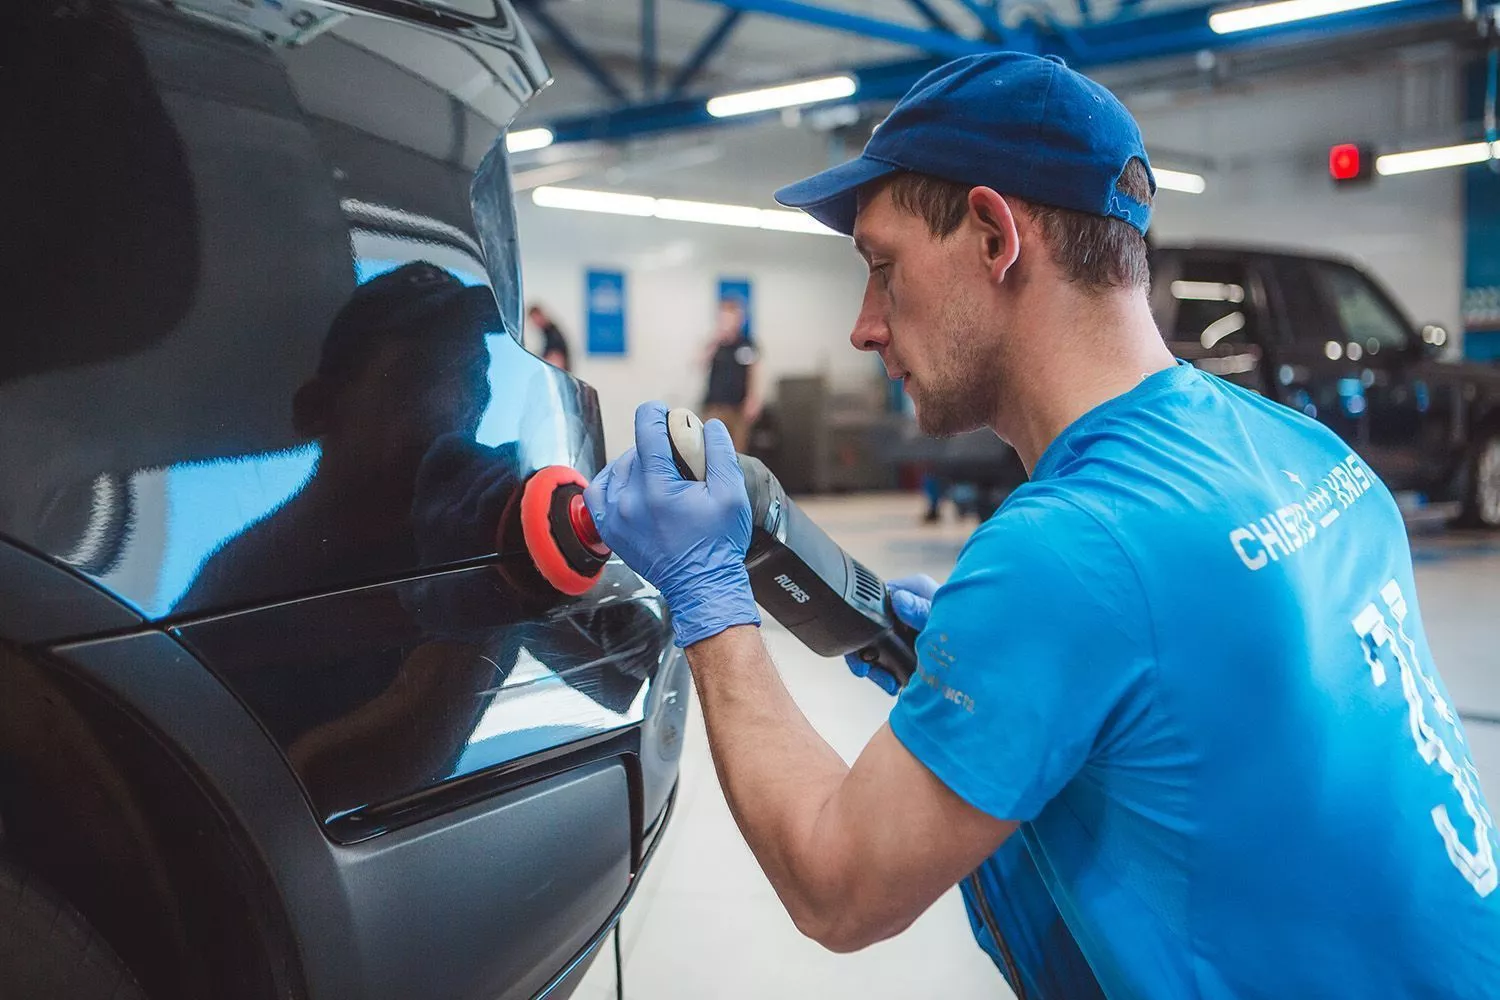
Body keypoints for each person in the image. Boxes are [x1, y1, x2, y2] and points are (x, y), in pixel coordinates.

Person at [584, 52, 1500, 998]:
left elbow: (836, 883)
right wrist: (1001, 673)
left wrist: (708, 597)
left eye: (882, 268)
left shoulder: (1070, 551)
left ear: (993, 236)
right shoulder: (1305, 452)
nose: (864, 325)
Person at [700, 296, 761, 451]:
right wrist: (716, 341)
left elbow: (753, 371)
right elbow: (699, 363)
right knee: (712, 449)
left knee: (737, 450)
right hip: (715, 406)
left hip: (738, 407)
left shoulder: (746, 344)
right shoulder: (714, 344)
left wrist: (752, 399)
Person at [527, 303, 572, 372]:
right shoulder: (547, 333)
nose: (534, 323)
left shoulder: (553, 335)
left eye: (534, 318)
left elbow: (556, 360)